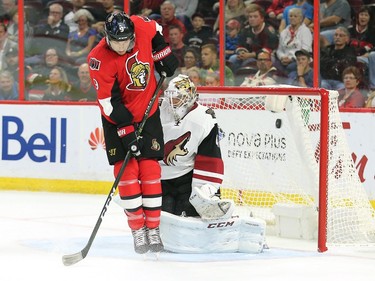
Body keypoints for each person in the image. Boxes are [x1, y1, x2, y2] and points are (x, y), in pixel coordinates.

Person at [87, 11, 178, 254]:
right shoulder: (98, 58)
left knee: (149, 169)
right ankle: (137, 230)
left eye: (125, 40)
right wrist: (126, 131)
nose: (120, 45)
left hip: (148, 113)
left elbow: (157, 30)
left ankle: (153, 229)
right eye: (115, 41)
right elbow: (108, 103)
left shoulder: (141, 26)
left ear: (132, 35)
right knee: (127, 172)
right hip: (116, 118)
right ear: (107, 37)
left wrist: (163, 53)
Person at [159, 74, 229, 218]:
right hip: (159, 176)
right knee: (163, 215)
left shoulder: (204, 117)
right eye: (170, 97)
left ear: (189, 97)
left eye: (177, 97)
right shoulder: (157, 110)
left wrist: (205, 191)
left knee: (191, 214)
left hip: (187, 177)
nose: (172, 102)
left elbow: (210, 157)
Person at [228, 4, 279, 72]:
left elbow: (268, 49)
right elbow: (240, 45)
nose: (252, 19)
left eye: (255, 17)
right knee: (233, 59)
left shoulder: (269, 31)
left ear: (262, 18)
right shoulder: (246, 30)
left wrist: (250, 55)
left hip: (266, 57)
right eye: (250, 17)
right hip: (248, 55)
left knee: (249, 61)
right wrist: (242, 53)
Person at [275, 8, 312, 75]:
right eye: (291, 16)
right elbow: (279, 50)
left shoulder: (305, 31)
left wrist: (291, 58)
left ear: (301, 19)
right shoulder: (284, 32)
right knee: (275, 66)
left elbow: (305, 49)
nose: (292, 18)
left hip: (298, 59)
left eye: (295, 16)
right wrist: (282, 57)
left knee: (290, 68)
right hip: (284, 59)